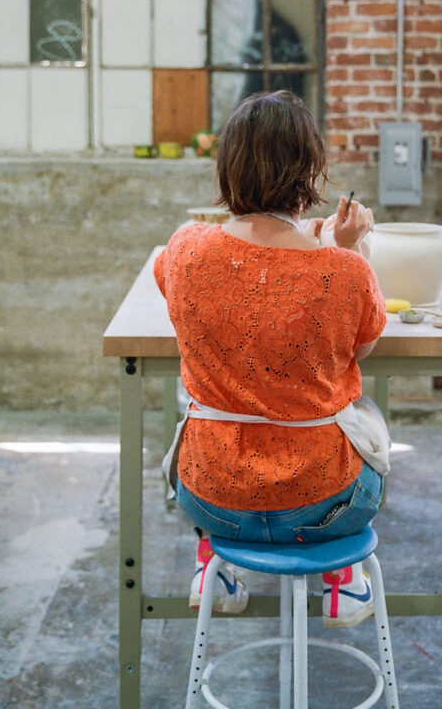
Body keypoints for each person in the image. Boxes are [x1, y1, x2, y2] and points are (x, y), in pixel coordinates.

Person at [154, 90, 387, 627]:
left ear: (228, 169)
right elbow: (363, 344)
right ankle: (343, 581)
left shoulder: (186, 248)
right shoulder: (344, 273)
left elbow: (184, 278)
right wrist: (347, 247)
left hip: (211, 498)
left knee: (196, 405)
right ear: (311, 175)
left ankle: (213, 562)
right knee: (366, 416)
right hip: (323, 505)